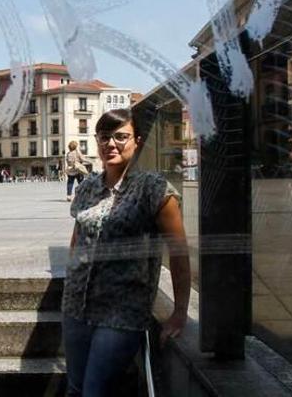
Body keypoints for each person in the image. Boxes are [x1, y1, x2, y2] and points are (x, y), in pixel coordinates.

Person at [62, 108, 191, 397]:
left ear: (137, 141)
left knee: (94, 392)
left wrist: (180, 312)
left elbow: (179, 253)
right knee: (75, 388)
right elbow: (77, 238)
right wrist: (72, 276)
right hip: (76, 307)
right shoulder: (88, 188)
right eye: (104, 137)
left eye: (120, 137)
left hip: (122, 312)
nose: (111, 144)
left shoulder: (154, 189)